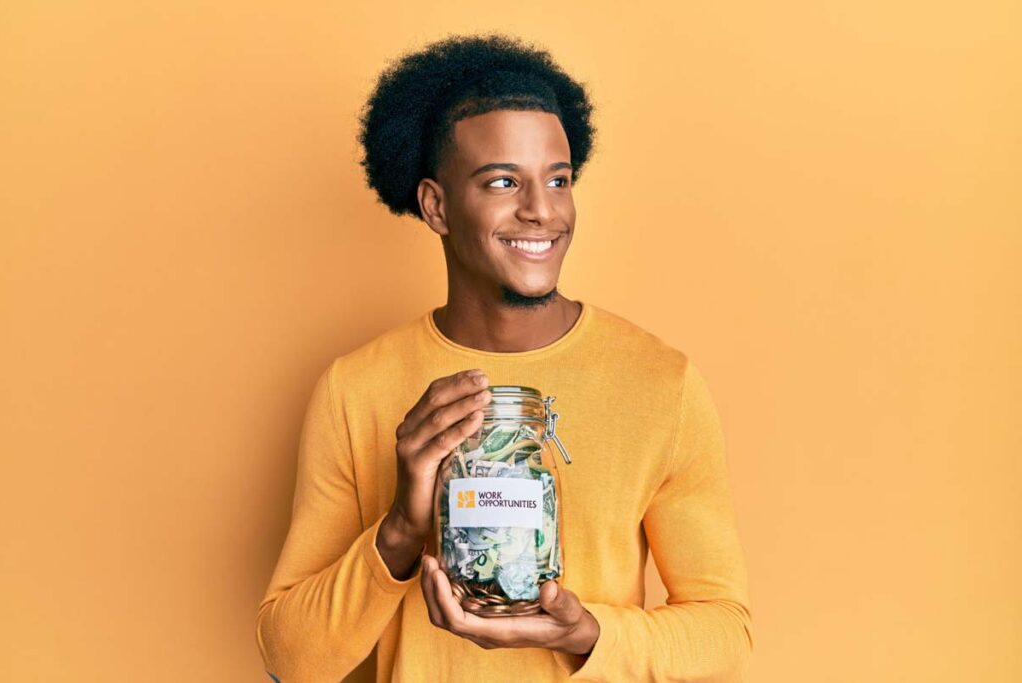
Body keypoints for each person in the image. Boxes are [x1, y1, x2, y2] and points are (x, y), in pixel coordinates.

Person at [255, 32, 753, 682]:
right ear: (437, 205)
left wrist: (588, 634)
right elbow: (290, 659)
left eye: (558, 179)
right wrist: (404, 525)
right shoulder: (357, 389)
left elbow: (727, 634)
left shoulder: (662, 383)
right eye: (501, 180)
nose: (541, 210)